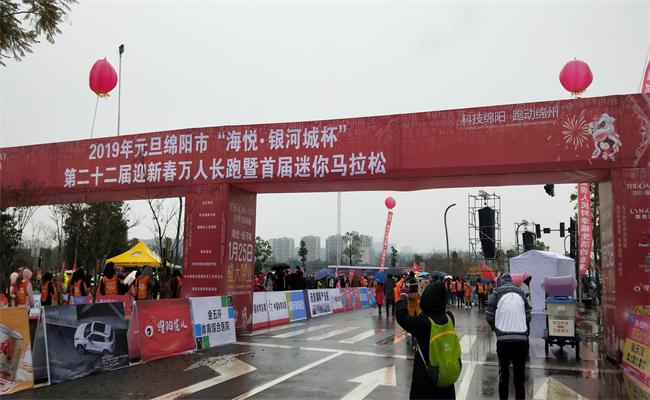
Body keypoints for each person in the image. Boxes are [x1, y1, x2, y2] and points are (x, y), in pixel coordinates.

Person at [396, 281, 460, 399]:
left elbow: (402, 317)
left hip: (425, 384)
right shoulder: (450, 318)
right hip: (446, 382)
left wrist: (403, 297)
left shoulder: (424, 323)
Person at [486, 273, 531, 400]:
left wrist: (496, 328)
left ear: (500, 282)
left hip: (503, 341)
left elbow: (489, 315)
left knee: (504, 375)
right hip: (521, 340)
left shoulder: (496, 293)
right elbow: (528, 316)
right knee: (519, 378)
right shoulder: (521, 293)